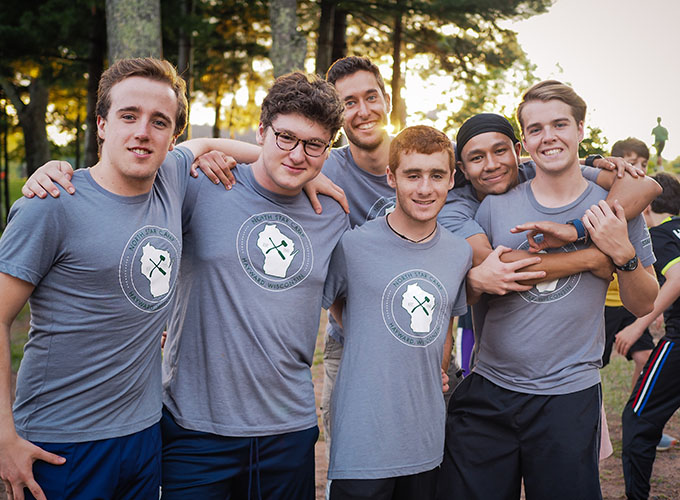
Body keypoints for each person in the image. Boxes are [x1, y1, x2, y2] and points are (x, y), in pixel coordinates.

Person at [0, 57, 228, 500]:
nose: (143, 131)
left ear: (171, 136)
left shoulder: (171, 182)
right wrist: (4, 438)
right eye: (129, 116)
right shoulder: (50, 204)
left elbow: (209, 147)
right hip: (60, 443)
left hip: (144, 435)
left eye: (159, 121)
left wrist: (313, 174)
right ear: (102, 124)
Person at [438, 81, 658, 500]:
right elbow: (489, 272)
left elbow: (645, 301)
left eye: (559, 124)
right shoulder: (493, 205)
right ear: (525, 142)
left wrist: (620, 255)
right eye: (536, 129)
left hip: (568, 395)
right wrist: (592, 257)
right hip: (491, 389)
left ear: (580, 128)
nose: (549, 136)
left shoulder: (614, 205)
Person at [159, 72, 349, 499]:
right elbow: (135, 175)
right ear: (262, 131)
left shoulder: (333, 215)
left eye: (313, 144)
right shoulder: (202, 184)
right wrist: (208, 146)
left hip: (288, 433)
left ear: (328, 148)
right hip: (196, 431)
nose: (297, 155)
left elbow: (349, 300)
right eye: (285, 137)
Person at [323, 125, 471, 500]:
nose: (425, 188)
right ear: (391, 177)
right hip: (362, 442)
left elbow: (445, 324)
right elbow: (336, 304)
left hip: (424, 440)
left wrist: (432, 368)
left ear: (451, 180)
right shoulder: (352, 246)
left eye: (437, 175)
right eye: (413, 175)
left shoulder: (459, 253)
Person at [620, 172, 680, 499]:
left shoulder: (658, 234)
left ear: (646, 204)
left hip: (678, 341)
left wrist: (638, 324)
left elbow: (677, 278)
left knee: (636, 420)